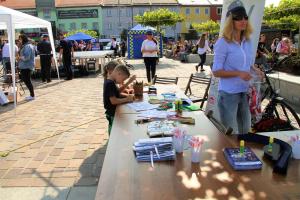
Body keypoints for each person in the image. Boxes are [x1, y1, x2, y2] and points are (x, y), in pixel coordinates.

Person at [212, 3, 263, 134]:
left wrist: (255, 70)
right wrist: (238, 73)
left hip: (245, 92)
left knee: (245, 131)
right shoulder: (223, 43)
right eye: (239, 18)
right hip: (229, 94)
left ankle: (243, 154)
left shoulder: (247, 41)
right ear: (230, 21)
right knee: (230, 134)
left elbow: (246, 64)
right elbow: (216, 71)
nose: (243, 21)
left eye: (245, 17)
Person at [103, 64, 134, 134]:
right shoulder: (110, 83)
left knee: (116, 129)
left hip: (114, 111)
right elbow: (113, 101)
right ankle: (112, 143)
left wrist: (128, 96)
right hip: (112, 112)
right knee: (114, 131)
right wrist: (127, 99)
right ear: (119, 74)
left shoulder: (111, 81)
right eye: (123, 79)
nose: (122, 82)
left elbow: (117, 93)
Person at [18, 34, 36, 101]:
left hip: (27, 66)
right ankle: (32, 95)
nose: (19, 40)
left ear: (23, 39)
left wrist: (20, 57)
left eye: (20, 39)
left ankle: (32, 95)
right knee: (26, 80)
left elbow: (27, 57)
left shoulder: (28, 46)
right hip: (24, 66)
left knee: (27, 80)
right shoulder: (25, 45)